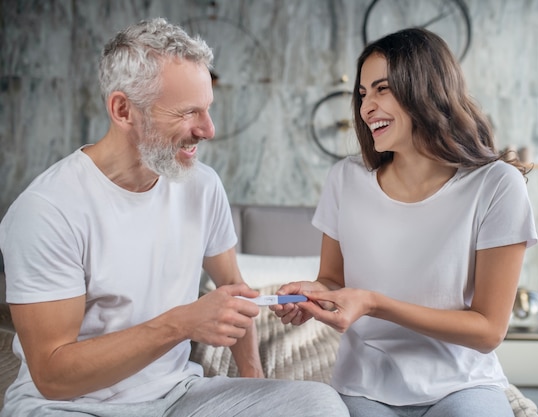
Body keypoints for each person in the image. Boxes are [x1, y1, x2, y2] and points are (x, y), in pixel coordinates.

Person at [0, 18, 348, 417]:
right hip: (71, 407)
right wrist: (181, 323)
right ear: (123, 109)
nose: (208, 130)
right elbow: (52, 375)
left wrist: (254, 384)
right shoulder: (48, 210)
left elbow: (233, 286)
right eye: (188, 113)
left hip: (178, 395)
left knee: (319, 405)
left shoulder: (201, 186)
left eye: (208, 110)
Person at [272, 27, 538, 417]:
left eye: (382, 89)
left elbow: (488, 330)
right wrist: (310, 297)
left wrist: (375, 303)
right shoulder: (345, 180)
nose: (366, 108)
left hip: (463, 383)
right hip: (365, 384)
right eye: (363, 94)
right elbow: (332, 279)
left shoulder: (497, 185)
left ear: (425, 90)